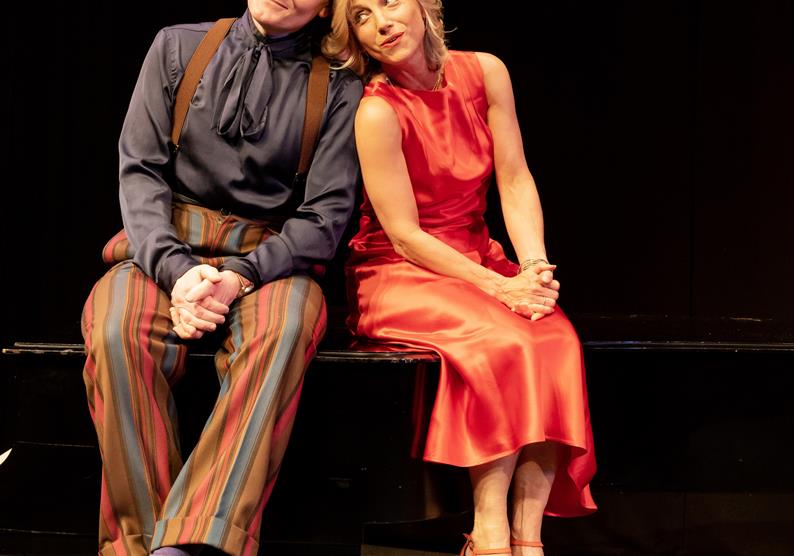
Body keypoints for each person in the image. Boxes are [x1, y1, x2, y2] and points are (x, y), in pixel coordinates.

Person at [80, 2, 363, 555]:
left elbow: (326, 213)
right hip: (164, 244)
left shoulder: (338, 84)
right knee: (116, 331)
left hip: (272, 255)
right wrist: (177, 270)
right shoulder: (178, 46)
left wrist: (240, 276)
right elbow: (140, 170)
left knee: (280, 334)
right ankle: (139, 544)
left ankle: (195, 543)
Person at [322, 0, 596, 554]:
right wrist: (501, 289)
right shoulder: (377, 110)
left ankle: (530, 538)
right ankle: (489, 532)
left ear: (426, 7)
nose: (382, 22)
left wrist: (534, 269)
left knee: (555, 340)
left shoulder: (485, 71)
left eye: (392, 3)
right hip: (400, 272)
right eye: (361, 16)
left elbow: (514, 180)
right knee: (504, 342)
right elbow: (403, 235)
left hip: (478, 256)